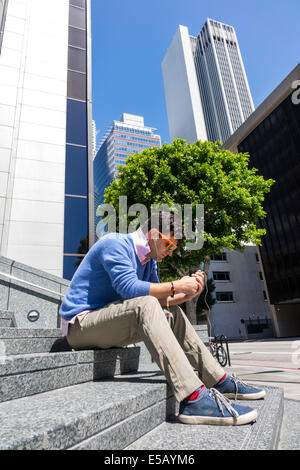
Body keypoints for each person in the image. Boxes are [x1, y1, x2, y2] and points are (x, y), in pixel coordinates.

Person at [59, 211, 265, 426]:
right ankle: (193, 398)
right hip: (80, 326)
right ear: (155, 234)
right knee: (145, 303)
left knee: (170, 312)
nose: (170, 252)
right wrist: (177, 284)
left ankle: (219, 380)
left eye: (173, 247)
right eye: (169, 245)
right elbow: (129, 289)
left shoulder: (149, 260)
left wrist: (188, 294)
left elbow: (161, 301)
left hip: (110, 324)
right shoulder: (115, 243)